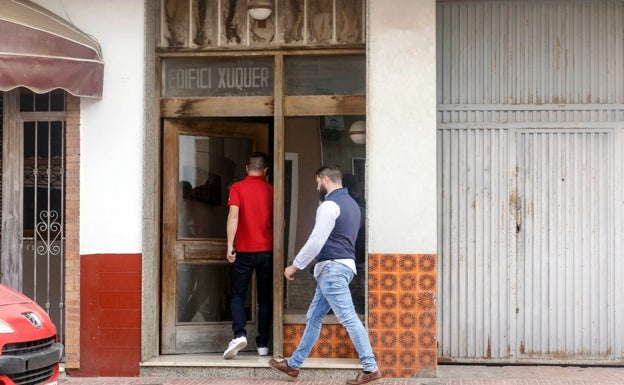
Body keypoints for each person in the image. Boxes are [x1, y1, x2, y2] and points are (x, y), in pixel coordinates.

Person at [269, 165, 382, 385]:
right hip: (343, 267)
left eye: (317, 182)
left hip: (332, 268)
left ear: (325, 179)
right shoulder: (353, 206)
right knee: (314, 318)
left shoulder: (330, 204)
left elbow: (316, 240)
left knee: (348, 318)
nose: (317, 186)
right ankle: (294, 365)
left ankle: (371, 368)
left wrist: (295, 266)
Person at [223, 152, 273, 359]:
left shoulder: (237, 188)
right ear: (266, 170)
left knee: (238, 294)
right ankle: (262, 344)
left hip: (243, 251)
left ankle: (239, 334)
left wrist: (229, 245)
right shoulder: (272, 190)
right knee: (265, 298)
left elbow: (233, 215)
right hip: (268, 251)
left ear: (246, 168)